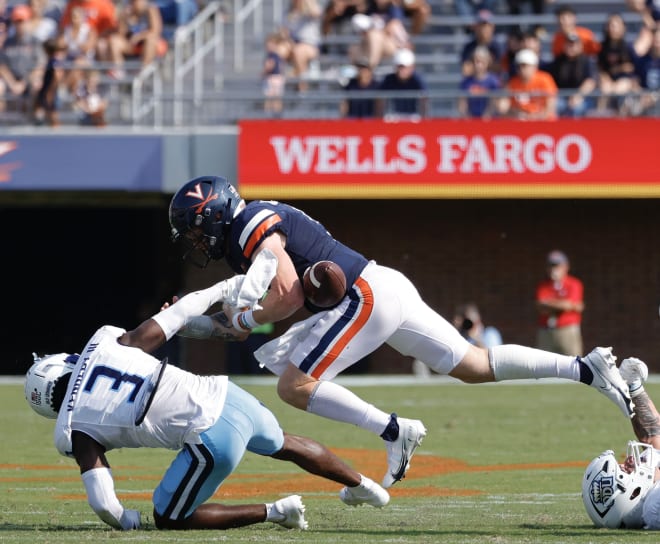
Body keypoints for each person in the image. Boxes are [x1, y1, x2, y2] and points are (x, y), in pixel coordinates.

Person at [166, 175, 636, 490]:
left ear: (212, 214)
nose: (193, 240)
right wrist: (188, 322)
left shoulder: (251, 224)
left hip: (363, 294)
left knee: (294, 385)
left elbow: (287, 296)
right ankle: (584, 368)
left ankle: (393, 430)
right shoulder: (248, 234)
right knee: (473, 365)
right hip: (383, 284)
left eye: (192, 229)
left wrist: (246, 317)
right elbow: (239, 328)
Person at [24, 278, 390, 532]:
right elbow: (179, 313)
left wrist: (126, 521)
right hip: (226, 393)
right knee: (285, 443)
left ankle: (277, 512)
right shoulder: (105, 343)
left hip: (209, 437)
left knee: (169, 518)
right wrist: (224, 288)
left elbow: (104, 503)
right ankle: (363, 485)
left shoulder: (75, 429)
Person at [582, 356, 660, 529]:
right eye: (625, 471)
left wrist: (633, 387)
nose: (629, 462)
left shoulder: (650, 495)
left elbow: (653, 436)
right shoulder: (654, 508)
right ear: (630, 494)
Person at [535, 250, 584, 356]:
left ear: (566, 266)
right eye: (551, 266)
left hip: (567, 329)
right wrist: (562, 304)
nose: (553, 269)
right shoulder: (544, 285)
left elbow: (568, 305)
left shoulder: (573, 283)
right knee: (543, 363)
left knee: (572, 363)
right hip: (546, 330)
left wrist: (550, 303)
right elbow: (540, 306)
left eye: (557, 265)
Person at [107, 0, 168, 78]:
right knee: (114, 40)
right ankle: (119, 71)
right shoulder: (128, 12)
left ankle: (142, 71)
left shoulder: (150, 9)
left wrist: (139, 36)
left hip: (150, 45)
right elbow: (121, 33)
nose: (132, 3)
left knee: (151, 40)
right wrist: (123, 18)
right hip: (133, 45)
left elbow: (156, 31)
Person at [497, 47, 558, 120]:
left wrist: (534, 117)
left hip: (543, 122)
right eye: (519, 66)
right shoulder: (513, 83)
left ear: (534, 66)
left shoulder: (545, 79)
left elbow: (550, 106)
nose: (521, 69)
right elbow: (505, 105)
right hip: (520, 122)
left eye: (525, 66)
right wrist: (505, 108)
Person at [548, 32, 597, 117]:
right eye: (568, 44)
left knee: (577, 108)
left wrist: (578, 96)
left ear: (580, 46)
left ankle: (577, 129)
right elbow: (550, 81)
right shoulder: (558, 61)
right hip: (561, 96)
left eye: (574, 44)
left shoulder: (587, 61)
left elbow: (590, 82)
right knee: (554, 106)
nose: (571, 47)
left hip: (582, 97)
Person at [376, 47, 427, 119]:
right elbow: (379, 99)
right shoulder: (389, 79)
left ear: (411, 67)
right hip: (393, 117)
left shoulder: (416, 80)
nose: (401, 70)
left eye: (404, 67)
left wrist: (423, 121)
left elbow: (424, 99)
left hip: (413, 118)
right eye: (399, 67)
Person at [458, 45, 502, 119]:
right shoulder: (466, 82)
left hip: (489, 121)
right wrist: (467, 118)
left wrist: (486, 118)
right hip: (471, 121)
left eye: (480, 61)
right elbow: (462, 104)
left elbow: (494, 103)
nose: (477, 65)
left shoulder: (494, 81)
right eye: (474, 61)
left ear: (487, 62)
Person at [460, 10, 502, 77]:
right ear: (475, 27)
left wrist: (478, 64)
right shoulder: (469, 47)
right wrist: (486, 64)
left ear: (492, 27)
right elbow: (466, 71)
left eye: (486, 25)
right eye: (480, 25)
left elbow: (500, 69)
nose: (483, 29)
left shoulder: (498, 47)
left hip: (493, 85)